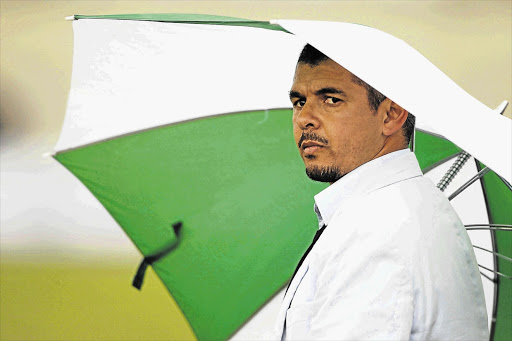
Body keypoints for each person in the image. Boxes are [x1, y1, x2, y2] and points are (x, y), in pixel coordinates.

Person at [273, 44, 488, 340]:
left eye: (331, 100)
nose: (303, 118)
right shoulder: (390, 212)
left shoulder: (378, 230)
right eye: (299, 102)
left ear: (391, 114)